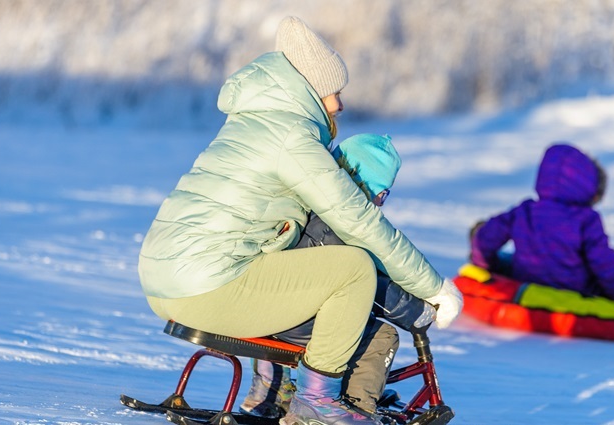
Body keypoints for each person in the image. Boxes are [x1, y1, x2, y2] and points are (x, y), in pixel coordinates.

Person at [138, 16, 463, 425]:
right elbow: (358, 222)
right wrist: (433, 288)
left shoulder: (253, 123)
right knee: (353, 268)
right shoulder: (291, 136)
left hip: (164, 282)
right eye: (333, 92)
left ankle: (280, 392)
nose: (339, 105)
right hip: (208, 284)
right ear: (310, 89)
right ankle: (317, 402)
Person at [240, 133, 438, 418]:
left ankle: (269, 391)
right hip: (290, 317)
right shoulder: (343, 224)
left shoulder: (309, 206)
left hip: (263, 302)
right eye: (382, 193)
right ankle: (353, 410)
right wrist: (414, 312)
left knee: (334, 320)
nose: (381, 203)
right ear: (363, 185)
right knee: (379, 336)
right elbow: (370, 284)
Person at [470, 143, 614, 305]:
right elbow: (604, 265)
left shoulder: (525, 210)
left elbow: (484, 240)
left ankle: (502, 263)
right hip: (576, 286)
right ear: (588, 189)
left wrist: (487, 265)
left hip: (528, 276)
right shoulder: (586, 219)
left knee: (511, 259)